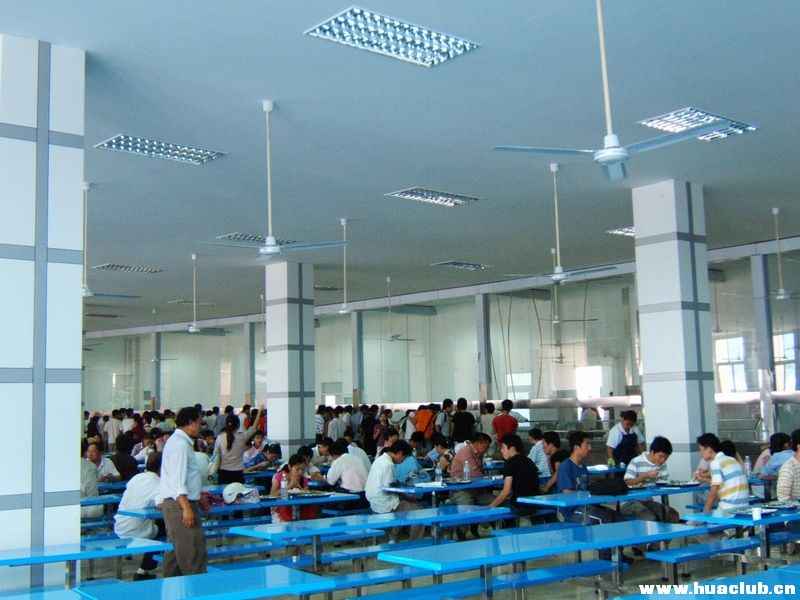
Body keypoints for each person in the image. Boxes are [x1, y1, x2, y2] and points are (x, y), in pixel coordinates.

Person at [156, 406, 207, 576]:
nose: (200, 426)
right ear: (191, 423)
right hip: (180, 504)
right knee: (193, 553)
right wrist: (186, 508)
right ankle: (195, 589)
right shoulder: (180, 445)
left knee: (175, 555)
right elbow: (178, 481)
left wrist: (199, 496)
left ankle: (172, 588)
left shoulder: (178, 442)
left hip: (178, 503)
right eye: (199, 422)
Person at [114, 452, 164, 580]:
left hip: (119, 526)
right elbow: (163, 505)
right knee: (168, 526)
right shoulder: (158, 483)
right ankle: (144, 569)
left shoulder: (136, 478)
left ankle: (145, 570)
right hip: (136, 531)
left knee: (159, 524)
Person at [365, 441, 423, 539]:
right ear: (400, 453)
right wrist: (405, 494)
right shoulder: (388, 464)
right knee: (419, 512)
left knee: (405, 504)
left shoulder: (379, 460)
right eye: (404, 458)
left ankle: (393, 537)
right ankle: (414, 542)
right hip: (383, 503)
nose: (402, 461)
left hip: (373, 500)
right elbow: (389, 489)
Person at [558, 431, 618, 526]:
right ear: (576, 447)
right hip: (571, 510)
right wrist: (590, 495)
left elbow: (587, 488)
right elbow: (567, 493)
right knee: (604, 519)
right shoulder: (565, 467)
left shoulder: (583, 467)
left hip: (587, 506)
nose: (590, 448)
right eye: (587, 444)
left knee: (616, 516)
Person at [622, 436, 679, 523]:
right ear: (652, 452)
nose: (662, 460)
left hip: (648, 501)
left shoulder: (662, 465)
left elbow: (664, 483)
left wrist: (662, 482)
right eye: (660, 456)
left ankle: (664, 533)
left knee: (672, 515)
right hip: (630, 501)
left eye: (666, 458)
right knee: (650, 518)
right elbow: (627, 482)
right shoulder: (636, 461)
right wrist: (645, 476)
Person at [449, 433, 493, 538]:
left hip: (475, 489)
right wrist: (488, 478)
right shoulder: (466, 452)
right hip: (460, 490)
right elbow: (474, 474)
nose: (487, 449)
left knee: (496, 500)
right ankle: (461, 533)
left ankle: (479, 528)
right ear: (478, 443)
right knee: (467, 504)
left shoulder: (478, 453)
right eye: (486, 446)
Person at [489, 434, 540, 517]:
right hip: (535, 504)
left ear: (512, 448)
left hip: (520, 506)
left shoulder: (510, 463)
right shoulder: (528, 460)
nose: (501, 451)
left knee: (488, 502)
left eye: (503, 447)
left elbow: (506, 492)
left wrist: (489, 507)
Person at [697, 433, 749, 513]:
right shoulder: (731, 459)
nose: (700, 453)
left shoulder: (715, 463)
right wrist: (704, 479)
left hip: (729, 508)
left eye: (701, 450)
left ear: (709, 449)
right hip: (744, 507)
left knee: (695, 519)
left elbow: (714, 491)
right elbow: (724, 483)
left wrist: (705, 511)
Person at [213, 406, 263, 484]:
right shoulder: (242, 437)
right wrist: (259, 412)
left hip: (223, 473)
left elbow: (215, 454)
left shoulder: (220, 438)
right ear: (238, 425)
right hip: (238, 473)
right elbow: (254, 427)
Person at [270, 455, 320, 523]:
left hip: (298, 509)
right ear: (290, 467)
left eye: (303, 469)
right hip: (280, 510)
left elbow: (306, 494)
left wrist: (300, 488)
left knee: (312, 508)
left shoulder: (303, 479)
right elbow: (272, 495)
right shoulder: (279, 477)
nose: (300, 472)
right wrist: (290, 486)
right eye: (297, 469)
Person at [80, 440, 103, 520]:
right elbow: (92, 495)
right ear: (85, 453)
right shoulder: (91, 466)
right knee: (98, 508)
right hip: (84, 508)